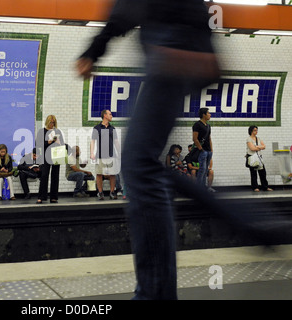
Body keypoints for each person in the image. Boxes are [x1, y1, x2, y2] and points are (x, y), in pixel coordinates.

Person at [77, 0, 291, 300]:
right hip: (182, 47)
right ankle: (251, 222)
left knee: (139, 166)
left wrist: (94, 49)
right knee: (143, 167)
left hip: (171, 49)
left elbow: (127, 8)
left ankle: (157, 292)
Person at [90, 109, 121, 200]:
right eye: (110, 114)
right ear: (105, 116)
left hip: (111, 155)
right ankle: (100, 192)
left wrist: (119, 152)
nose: (112, 116)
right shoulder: (97, 128)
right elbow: (92, 142)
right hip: (100, 155)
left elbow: (116, 142)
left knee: (113, 174)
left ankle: (112, 192)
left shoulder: (112, 128)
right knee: (99, 174)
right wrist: (92, 153)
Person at [35, 115, 65, 204]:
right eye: (51, 122)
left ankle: (53, 197)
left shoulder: (57, 131)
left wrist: (59, 143)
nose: (52, 124)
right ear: (47, 122)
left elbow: (62, 144)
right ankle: (41, 196)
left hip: (56, 154)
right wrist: (47, 142)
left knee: (55, 176)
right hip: (45, 155)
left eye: (53, 122)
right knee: (44, 175)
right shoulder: (42, 131)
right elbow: (38, 144)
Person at [246, 125, 273, 192]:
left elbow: (264, 146)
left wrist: (257, 147)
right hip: (252, 157)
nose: (256, 131)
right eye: (255, 130)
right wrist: (259, 147)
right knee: (253, 173)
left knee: (263, 173)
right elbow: (252, 148)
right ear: (251, 131)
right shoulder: (249, 139)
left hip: (259, 157)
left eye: (257, 130)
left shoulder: (259, 138)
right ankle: (255, 187)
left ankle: (265, 187)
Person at [193, 107, 213, 186]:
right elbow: (195, 138)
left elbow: (209, 138)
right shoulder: (197, 125)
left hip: (208, 151)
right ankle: (199, 188)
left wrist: (211, 150)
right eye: (208, 113)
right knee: (202, 170)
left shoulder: (208, 126)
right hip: (202, 151)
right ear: (203, 115)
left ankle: (203, 187)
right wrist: (201, 149)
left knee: (205, 171)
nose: (210, 115)